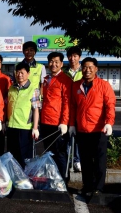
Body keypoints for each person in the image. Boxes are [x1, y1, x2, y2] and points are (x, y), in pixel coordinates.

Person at [69, 57, 116, 196]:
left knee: (100, 160)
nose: (87, 70)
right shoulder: (77, 85)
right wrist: (72, 124)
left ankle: (99, 188)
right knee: (85, 160)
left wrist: (109, 122)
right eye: (84, 67)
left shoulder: (103, 85)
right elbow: (72, 106)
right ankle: (87, 186)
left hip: (99, 129)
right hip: (82, 129)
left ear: (96, 69)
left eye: (90, 67)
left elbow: (110, 105)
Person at [40, 52, 72, 183]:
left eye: (56, 62)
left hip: (58, 123)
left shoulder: (65, 80)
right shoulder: (46, 79)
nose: (53, 64)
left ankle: (63, 181)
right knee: (48, 153)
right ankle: (52, 179)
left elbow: (67, 102)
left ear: (61, 64)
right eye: (51, 61)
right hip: (45, 121)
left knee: (60, 153)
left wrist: (64, 122)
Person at [7, 62, 41, 168]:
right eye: (18, 72)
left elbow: (36, 110)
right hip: (12, 127)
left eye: (22, 72)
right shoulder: (12, 88)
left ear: (28, 74)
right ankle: (15, 180)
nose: (19, 75)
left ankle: (25, 181)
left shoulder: (33, 89)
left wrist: (35, 128)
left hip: (25, 128)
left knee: (24, 157)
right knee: (12, 156)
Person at [64, 46, 83, 172]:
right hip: (66, 107)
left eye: (75, 56)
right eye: (70, 56)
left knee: (78, 136)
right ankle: (66, 159)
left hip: (80, 107)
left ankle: (77, 160)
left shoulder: (84, 71)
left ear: (79, 57)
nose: (72, 58)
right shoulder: (65, 72)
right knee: (65, 135)